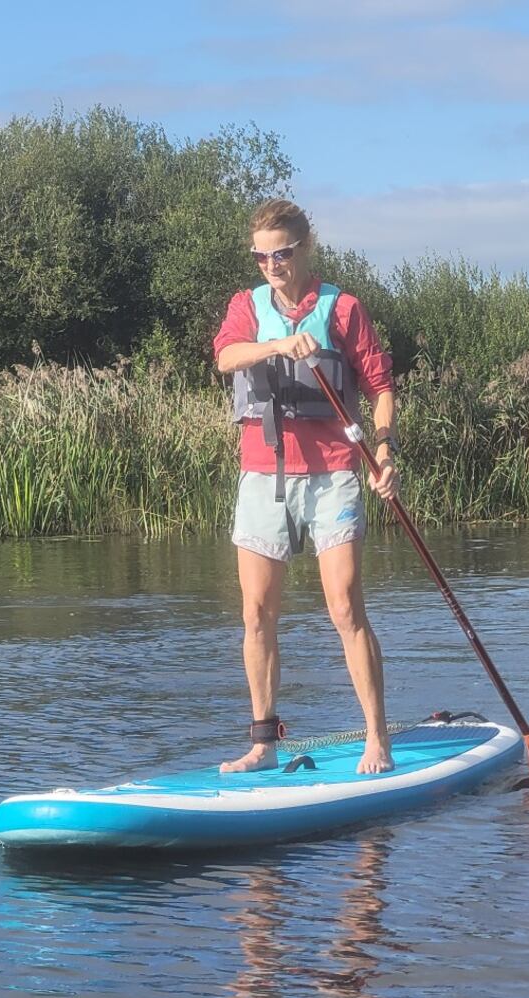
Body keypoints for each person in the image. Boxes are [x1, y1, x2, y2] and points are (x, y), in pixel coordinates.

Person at [213, 198, 399, 774]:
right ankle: (264, 743)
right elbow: (226, 358)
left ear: (304, 249)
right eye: (262, 256)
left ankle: (377, 738)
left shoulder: (343, 309)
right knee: (256, 613)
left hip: (334, 473)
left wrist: (385, 451)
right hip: (264, 475)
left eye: (283, 253)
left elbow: (380, 386)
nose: (272, 264)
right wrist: (276, 345)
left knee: (344, 607)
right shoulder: (246, 307)